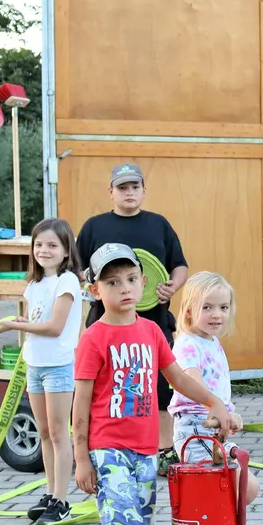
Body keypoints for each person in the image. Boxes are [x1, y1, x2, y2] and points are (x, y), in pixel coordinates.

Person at [73, 243, 238, 525]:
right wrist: (80, 458)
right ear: (96, 290)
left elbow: (179, 380)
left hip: (145, 450)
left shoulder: (150, 332)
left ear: (144, 283)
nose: (124, 289)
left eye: (130, 280)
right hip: (108, 450)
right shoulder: (94, 339)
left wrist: (215, 402)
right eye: (112, 282)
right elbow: (79, 406)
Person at [76, 163, 189, 469]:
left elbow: (179, 265)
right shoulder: (94, 227)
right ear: (111, 192)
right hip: (106, 324)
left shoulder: (159, 224)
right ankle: (99, 450)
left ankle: (165, 452)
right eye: (122, 187)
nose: (129, 192)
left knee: (161, 388)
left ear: (143, 191)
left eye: (134, 187)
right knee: (106, 390)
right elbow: (76, 267)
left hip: (153, 323)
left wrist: (173, 286)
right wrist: (86, 285)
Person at [0, 218, 83, 525]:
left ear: (65, 250)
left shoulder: (68, 282)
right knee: (44, 432)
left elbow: (55, 327)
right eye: (38, 245)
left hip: (58, 366)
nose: (44, 251)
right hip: (34, 364)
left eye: (51, 245)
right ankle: (49, 492)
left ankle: (62, 500)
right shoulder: (34, 285)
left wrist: (11, 325)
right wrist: (21, 324)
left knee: (59, 433)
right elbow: (36, 322)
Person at [171, 271, 259, 504]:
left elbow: (218, 390)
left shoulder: (212, 342)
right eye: (207, 307)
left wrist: (230, 414)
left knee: (245, 487)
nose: (217, 315)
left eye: (223, 307)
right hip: (195, 428)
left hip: (214, 428)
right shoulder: (188, 344)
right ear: (189, 310)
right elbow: (192, 382)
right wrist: (217, 408)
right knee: (223, 488)